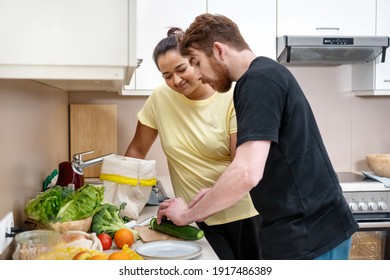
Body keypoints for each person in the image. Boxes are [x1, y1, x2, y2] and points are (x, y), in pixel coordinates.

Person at [156, 14, 359, 260]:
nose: (197, 75)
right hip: (304, 232)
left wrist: (187, 215)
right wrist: (212, 194)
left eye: (196, 63)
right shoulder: (261, 76)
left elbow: (246, 172)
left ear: (219, 50)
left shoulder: (257, 82)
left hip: (311, 236)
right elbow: (254, 164)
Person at [124, 28, 262, 260]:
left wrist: (194, 210)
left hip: (241, 216)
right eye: (167, 75)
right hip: (192, 219)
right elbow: (137, 149)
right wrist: (123, 202)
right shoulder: (160, 97)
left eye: (181, 69)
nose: (175, 80)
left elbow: (239, 165)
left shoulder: (231, 98)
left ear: (198, 63)